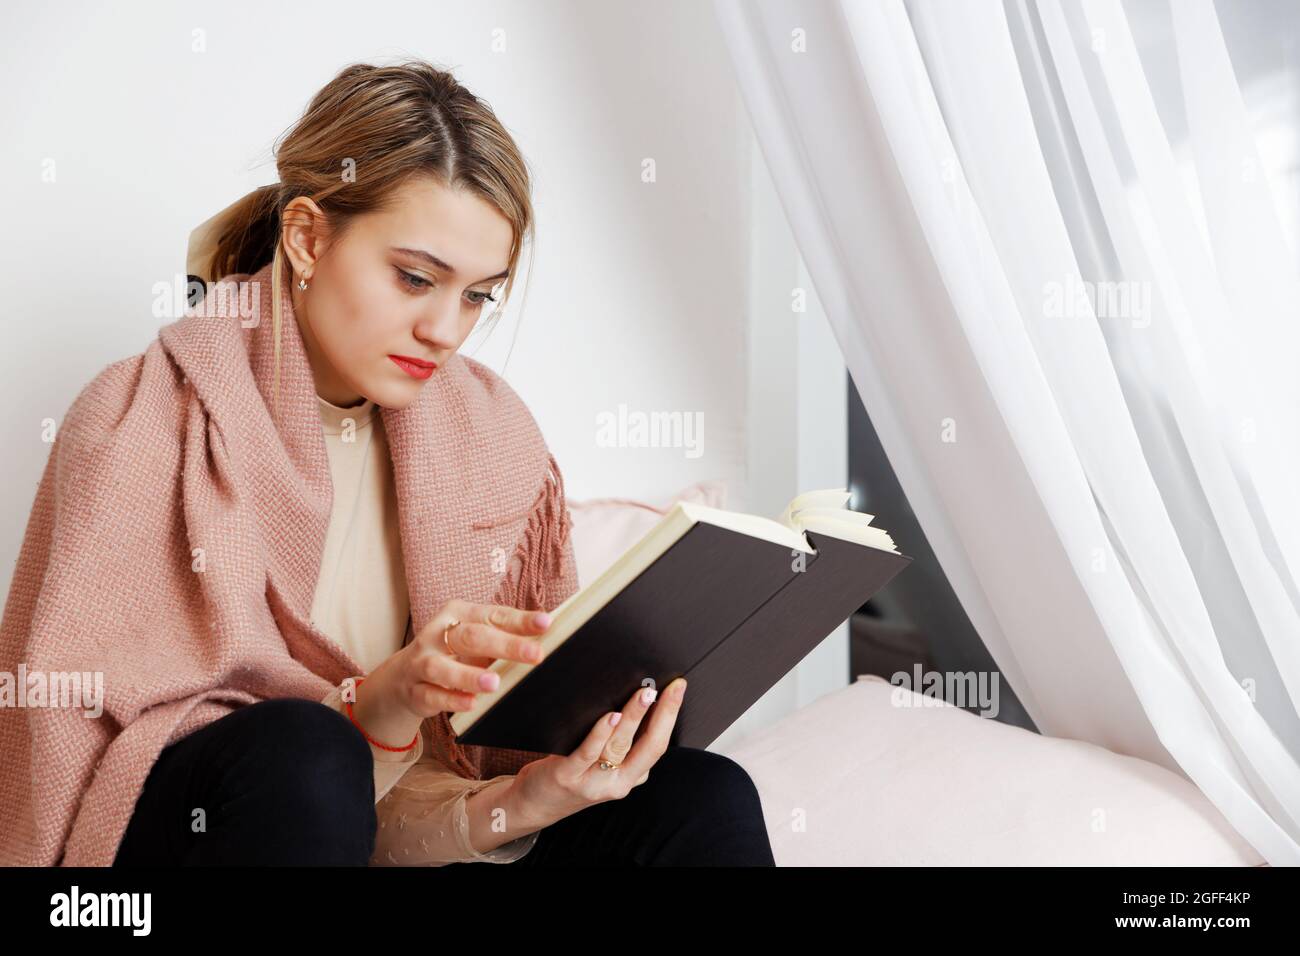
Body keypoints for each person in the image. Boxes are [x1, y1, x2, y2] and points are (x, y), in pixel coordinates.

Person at [0, 59, 774, 867]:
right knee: (306, 756)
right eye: (415, 278)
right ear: (306, 237)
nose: (447, 329)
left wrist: (528, 797)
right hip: (211, 843)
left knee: (702, 795)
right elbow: (84, 752)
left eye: (479, 296)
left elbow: (421, 805)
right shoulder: (142, 419)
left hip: (402, 839)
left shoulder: (497, 439)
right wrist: (377, 703)